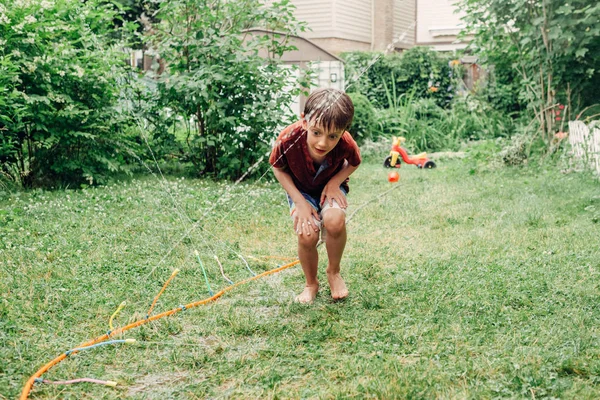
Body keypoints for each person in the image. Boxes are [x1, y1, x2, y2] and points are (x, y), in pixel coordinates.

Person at [269, 88, 361, 303]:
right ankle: (311, 284)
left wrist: (335, 182)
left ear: (343, 131)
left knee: (335, 221)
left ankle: (333, 272)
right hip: (300, 190)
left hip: (330, 188)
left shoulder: (346, 143)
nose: (322, 143)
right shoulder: (288, 138)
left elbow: (355, 162)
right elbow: (277, 168)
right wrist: (299, 202)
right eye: (316, 132)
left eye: (332, 136)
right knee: (307, 234)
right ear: (304, 122)